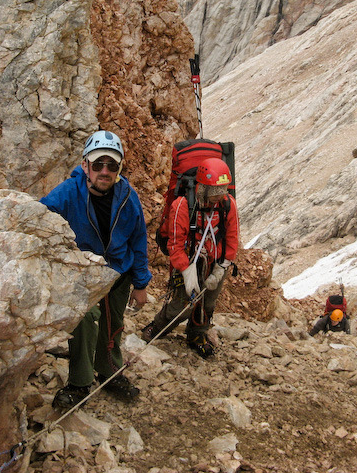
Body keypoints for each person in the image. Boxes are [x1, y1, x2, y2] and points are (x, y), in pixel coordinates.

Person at [40, 130, 151, 408]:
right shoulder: (67, 193)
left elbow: (138, 239)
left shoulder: (127, 196)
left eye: (112, 165)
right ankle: (79, 382)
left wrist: (141, 283)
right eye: (98, 164)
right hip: (84, 274)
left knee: (113, 324)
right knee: (84, 322)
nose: (105, 171)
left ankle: (109, 372)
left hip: (117, 273)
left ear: (119, 169)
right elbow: (40, 221)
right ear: (85, 165)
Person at [141, 157, 239, 358]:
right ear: (202, 187)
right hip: (188, 261)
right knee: (183, 306)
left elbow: (232, 237)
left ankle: (197, 335)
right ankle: (158, 327)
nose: (218, 196)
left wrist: (222, 267)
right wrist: (186, 271)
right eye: (214, 191)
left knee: (208, 303)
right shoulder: (182, 206)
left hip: (215, 263)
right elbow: (175, 245)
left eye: (222, 190)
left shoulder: (228, 205)